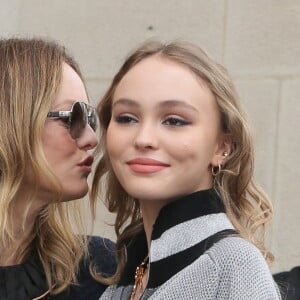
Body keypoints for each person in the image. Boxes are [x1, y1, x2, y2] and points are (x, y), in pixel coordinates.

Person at [91, 40, 281, 299]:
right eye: (127, 118)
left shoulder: (234, 266)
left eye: (174, 120)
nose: (144, 138)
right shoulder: (125, 278)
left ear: (221, 146)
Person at [0, 38, 116, 300]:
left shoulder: (99, 272)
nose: (91, 140)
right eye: (72, 118)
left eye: (90, 119)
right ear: (9, 124)